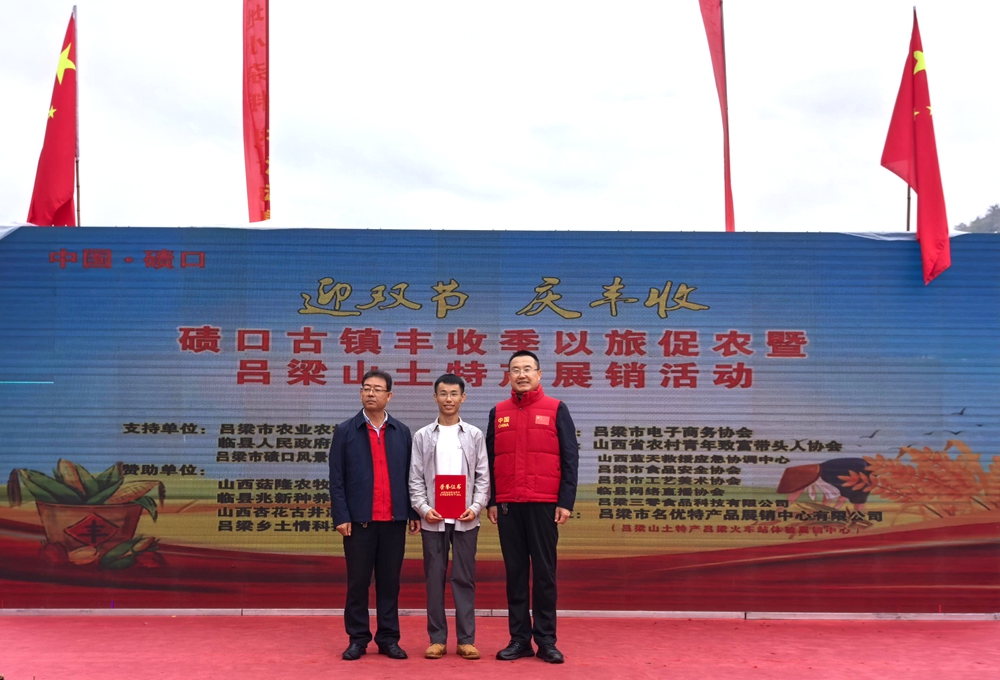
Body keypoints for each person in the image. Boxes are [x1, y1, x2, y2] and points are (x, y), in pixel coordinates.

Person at [487, 350, 579, 664]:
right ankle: (519, 640)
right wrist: (492, 499)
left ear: (539, 374)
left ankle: (546, 641)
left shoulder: (556, 408)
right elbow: (490, 460)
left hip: (543, 504)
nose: (522, 374)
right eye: (516, 369)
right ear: (508, 376)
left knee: (544, 575)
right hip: (509, 505)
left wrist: (565, 501)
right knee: (515, 574)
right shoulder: (498, 412)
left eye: (528, 369)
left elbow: (570, 457)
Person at [329, 369, 416, 661]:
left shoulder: (401, 432)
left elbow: (410, 477)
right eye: (366, 388)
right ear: (360, 393)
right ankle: (358, 639)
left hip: (393, 522)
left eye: (378, 389)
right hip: (359, 523)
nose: (371, 393)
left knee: (390, 583)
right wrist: (341, 516)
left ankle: (388, 639)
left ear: (389, 395)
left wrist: (412, 512)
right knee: (358, 584)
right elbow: (336, 478)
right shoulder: (345, 431)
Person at [408, 374, 490, 660]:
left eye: (454, 394)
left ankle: (466, 640)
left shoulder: (474, 435)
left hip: (466, 520)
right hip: (434, 520)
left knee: (464, 578)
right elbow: (415, 478)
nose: (448, 399)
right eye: (443, 393)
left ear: (463, 398)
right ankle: (437, 639)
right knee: (434, 579)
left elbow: (483, 477)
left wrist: (476, 507)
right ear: (435, 397)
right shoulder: (422, 435)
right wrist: (423, 508)